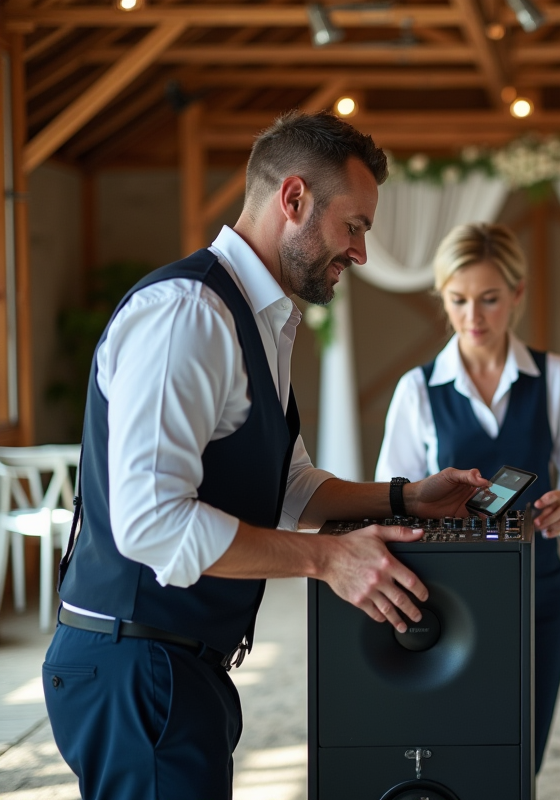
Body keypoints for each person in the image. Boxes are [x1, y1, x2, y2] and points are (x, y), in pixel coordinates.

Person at [44, 111, 490, 800]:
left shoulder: (255, 319)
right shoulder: (190, 314)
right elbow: (151, 523)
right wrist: (328, 560)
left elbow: (288, 486)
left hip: (176, 667)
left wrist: (405, 496)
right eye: (355, 226)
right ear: (294, 199)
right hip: (138, 667)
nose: (360, 253)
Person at [376, 222, 560, 773]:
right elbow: (390, 501)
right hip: (448, 599)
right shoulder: (416, 389)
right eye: (457, 300)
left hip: (537, 592)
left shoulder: (555, 377)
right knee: (457, 756)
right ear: (442, 297)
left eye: (489, 299)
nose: (473, 317)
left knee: (523, 758)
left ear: (517, 293)